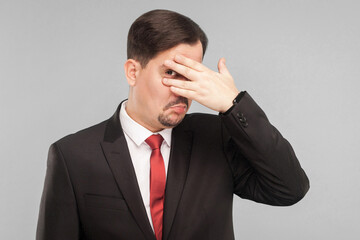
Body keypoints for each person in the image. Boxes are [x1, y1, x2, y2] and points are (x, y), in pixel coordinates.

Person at [36, 9, 309, 240]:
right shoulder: (72, 156)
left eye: (191, 75)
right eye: (170, 73)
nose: (182, 90)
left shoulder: (217, 138)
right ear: (133, 71)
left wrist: (234, 104)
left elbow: (290, 188)